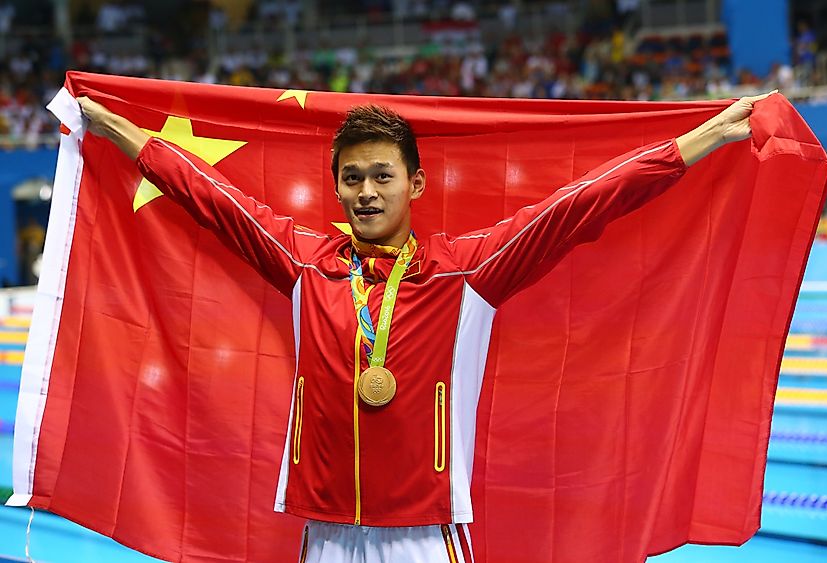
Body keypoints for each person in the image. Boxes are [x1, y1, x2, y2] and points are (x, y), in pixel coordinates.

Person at [77, 91, 774, 563]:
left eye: (381, 176)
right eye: (351, 178)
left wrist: (703, 138)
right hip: (325, 533)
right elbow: (210, 195)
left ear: (414, 184)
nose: (365, 192)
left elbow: (578, 205)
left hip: (422, 533)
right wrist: (116, 128)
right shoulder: (304, 263)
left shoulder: (464, 271)